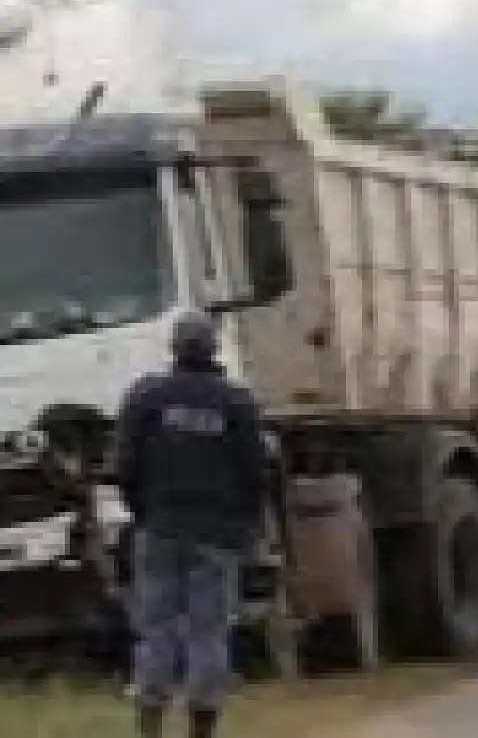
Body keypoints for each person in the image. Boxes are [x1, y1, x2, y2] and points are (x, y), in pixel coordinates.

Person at [114, 311, 269, 738]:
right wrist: (247, 525)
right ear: (214, 349)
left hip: (159, 528)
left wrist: (143, 513)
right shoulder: (235, 402)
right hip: (217, 535)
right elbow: (256, 472)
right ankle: (202, 727)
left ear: (173, 349)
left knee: (155, 628)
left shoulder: (145, 397)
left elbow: (123, 467)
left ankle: (150, 724)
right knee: (209, 632)